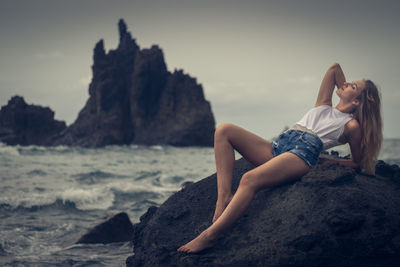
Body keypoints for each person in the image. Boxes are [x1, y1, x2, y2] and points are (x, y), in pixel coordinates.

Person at [177, 62, 383, 253]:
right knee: (223, 130)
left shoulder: (351, 126)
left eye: (352, 86)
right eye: (347, 82)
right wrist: (348, 88)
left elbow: (357, 163)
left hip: (301, 155)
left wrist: (326, 162)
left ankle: (209, 235)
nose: (345, 83)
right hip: (279, 146)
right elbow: (334, 68)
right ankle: (224, 198)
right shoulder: (324, 104)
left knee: (249, 179)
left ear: (357, 101)